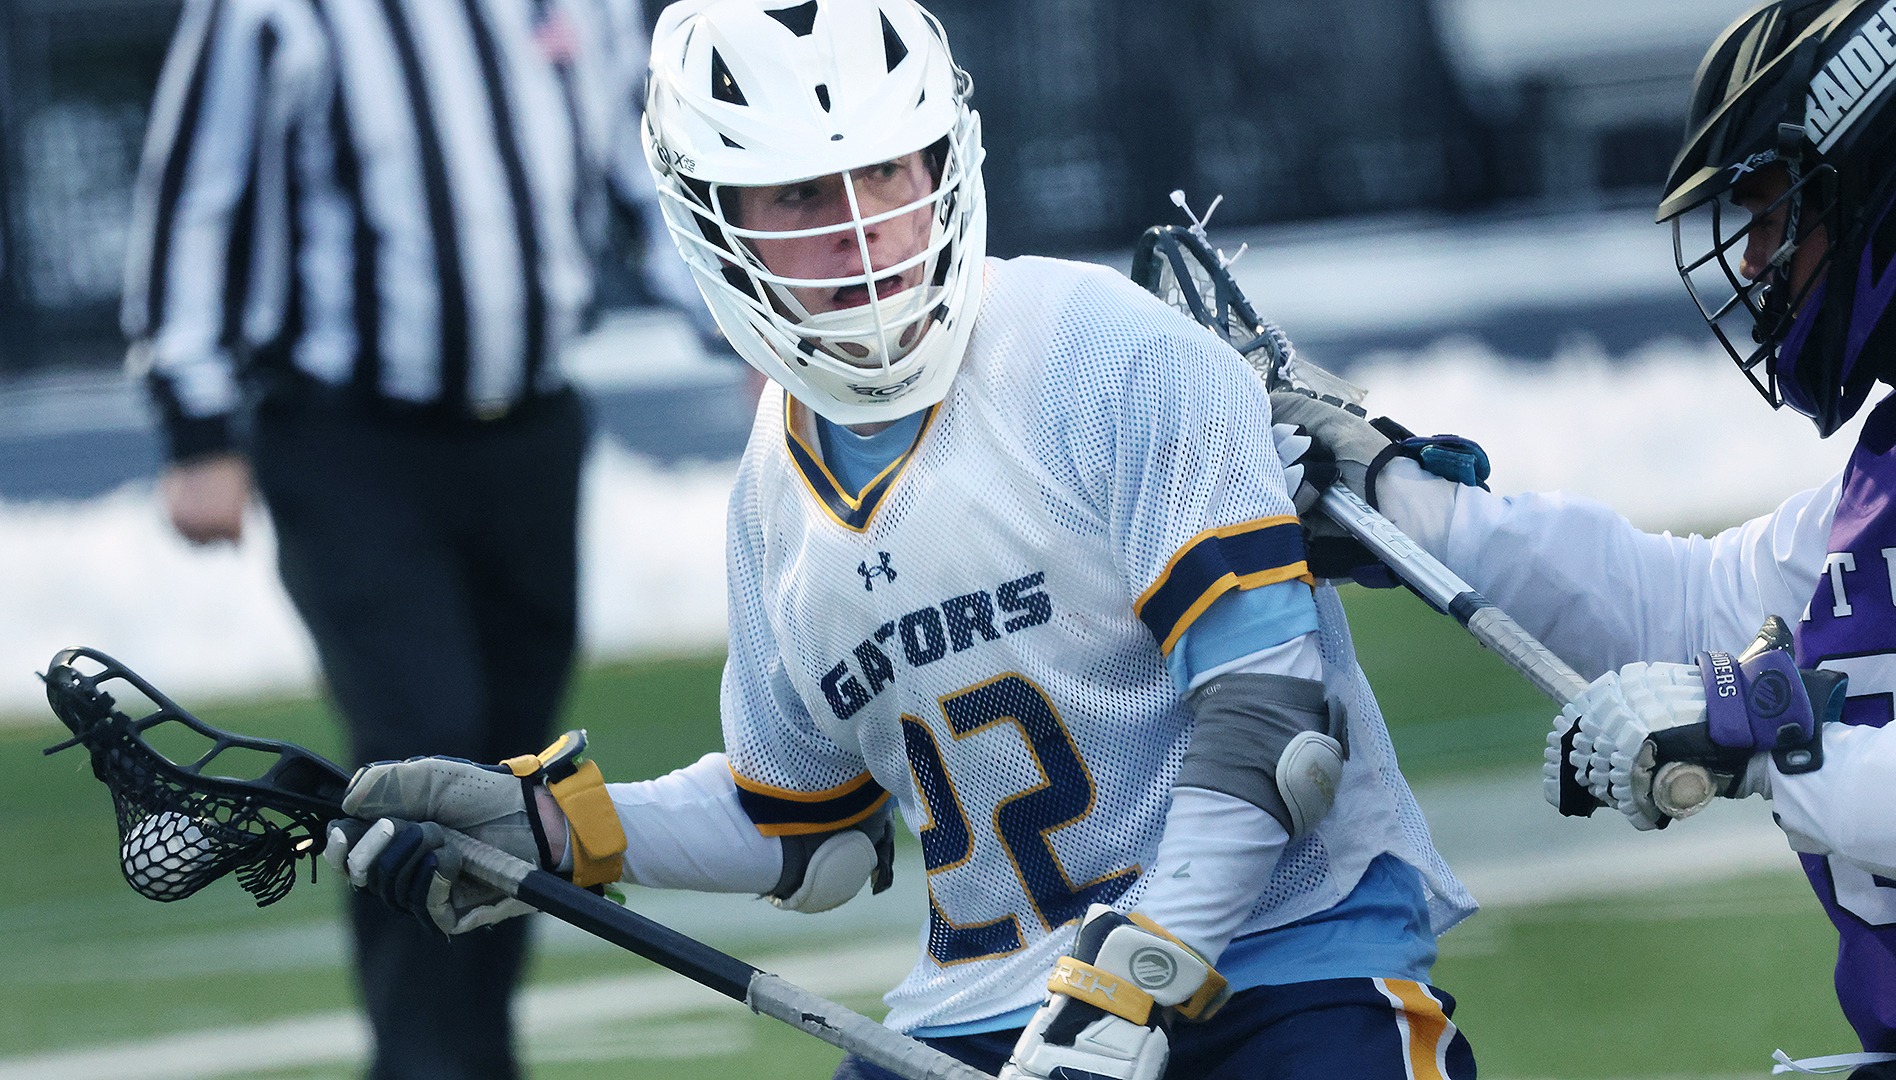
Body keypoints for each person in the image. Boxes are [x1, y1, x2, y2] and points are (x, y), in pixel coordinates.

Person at [322, 1, 1483, 1078]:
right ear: (713, 220)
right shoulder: (772, 490)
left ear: (942, 160)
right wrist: (555, 828)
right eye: (797, 196)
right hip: (987, 1016)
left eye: (881, 170)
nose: (860, 231)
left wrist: (1133, 979)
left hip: (1280, 967)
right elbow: (802, 825)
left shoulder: (1104, 351)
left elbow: (1274, 734)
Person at [1270, 0, 1896, 1066]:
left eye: (1779, 211)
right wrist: (1409, 505)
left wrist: (1767, 735)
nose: (1756, 260)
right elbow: (1683, 602)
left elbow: (1753, 699)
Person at [119, 1, 662, 1077]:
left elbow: (646, 169)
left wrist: (755, 336)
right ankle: (425, 1059)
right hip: (351, 440)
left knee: (517, 779)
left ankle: (475, 1051)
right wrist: (196, 424)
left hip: (533, 432)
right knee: (422, 757)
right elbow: (195, 193)